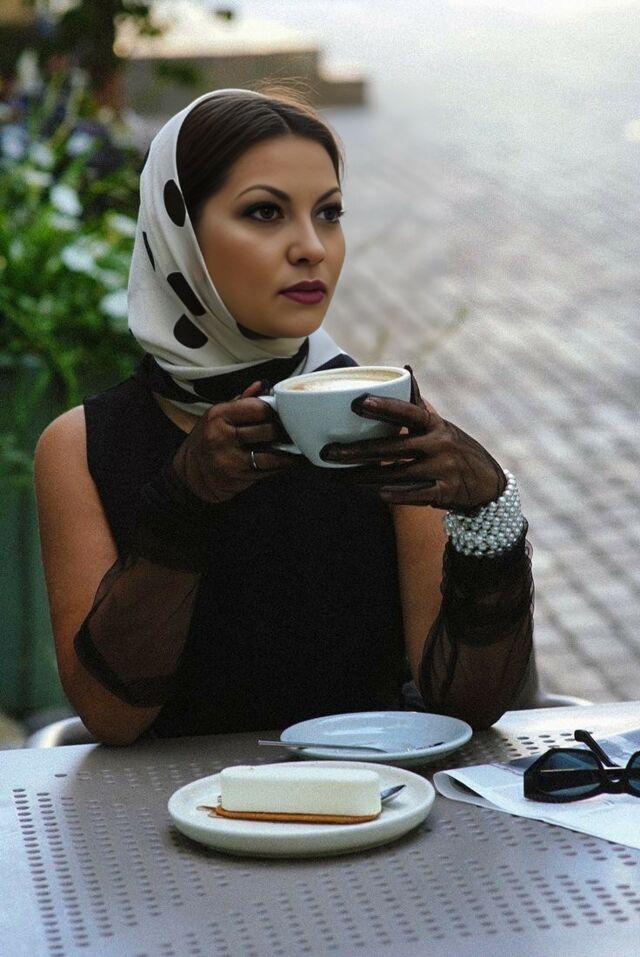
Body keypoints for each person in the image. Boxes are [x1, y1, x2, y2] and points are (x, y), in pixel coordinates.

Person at [34, 88, 535, 746]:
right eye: (265, 212)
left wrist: (488, 514)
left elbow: (465, 704)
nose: (312, 247)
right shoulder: (81, 444)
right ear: (178, 229)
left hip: (373, 795)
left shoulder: (378, 413)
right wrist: (182, 503)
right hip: (163, 806)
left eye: (329, 213)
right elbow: (110, 716)